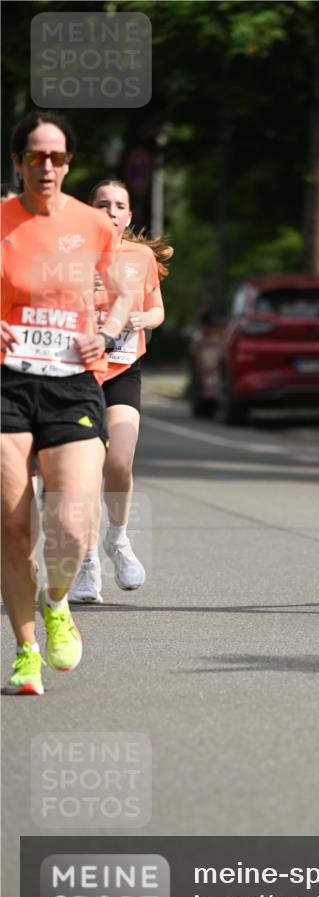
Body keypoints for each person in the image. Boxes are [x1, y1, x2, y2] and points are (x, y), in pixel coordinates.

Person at [1, 111, 132, 695]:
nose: (46, 166)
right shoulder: (1, 221)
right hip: (6, 378)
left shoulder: (91, 224)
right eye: (35, 156)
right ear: (18, 161)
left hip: (73, 380)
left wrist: (105, 334)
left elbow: (123, 295)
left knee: (73, 520)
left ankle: (56, 599)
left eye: (56, 157)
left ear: (69, 163)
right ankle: (26, 649)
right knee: (11, 520)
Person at [69, 179, 172, 603]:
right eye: (103, 204)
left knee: (120, 460)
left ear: (130, 216)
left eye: (119, 206)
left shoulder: (141, 257)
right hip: (78, 372)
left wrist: (144, 319)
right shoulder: (70, 255)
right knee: (86, 473)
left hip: (124, 368)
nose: (111, 211)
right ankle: (88, 565)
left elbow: (158, 310)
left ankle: (119, 538)